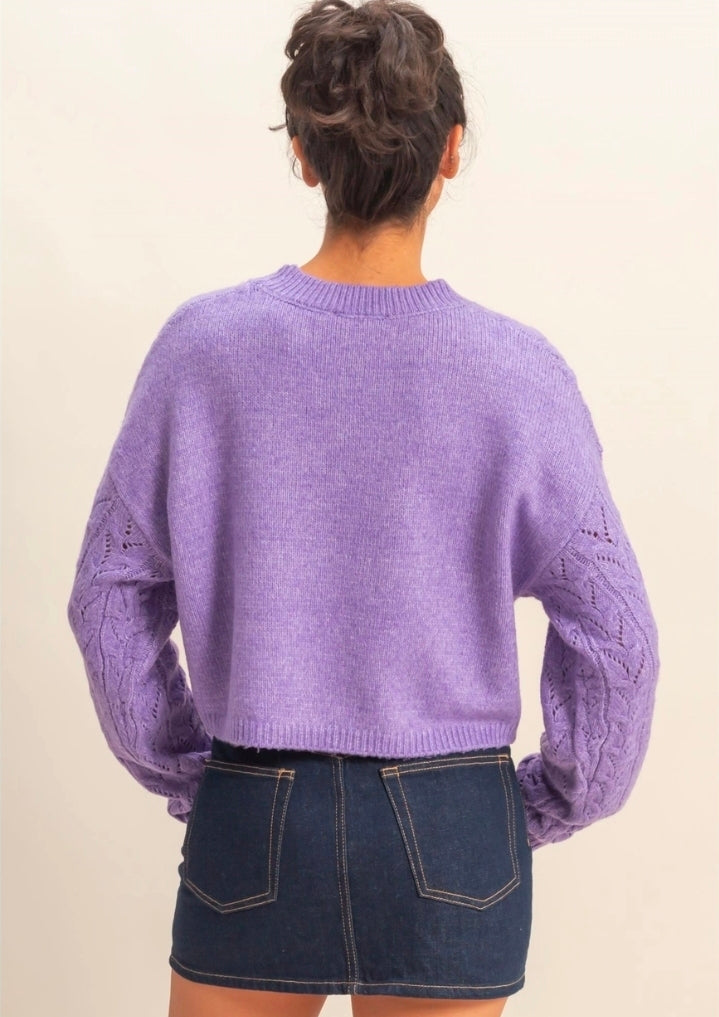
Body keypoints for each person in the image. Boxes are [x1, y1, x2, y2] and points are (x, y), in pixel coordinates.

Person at [66, 1, 661, 1015]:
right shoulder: (519, 376)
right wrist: (550, 800)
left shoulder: (201, 353)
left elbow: (106, 598)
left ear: (303, 155)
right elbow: (617, 639)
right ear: (451, 152)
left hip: (255, 810)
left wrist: (193, 776)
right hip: (457, 822)